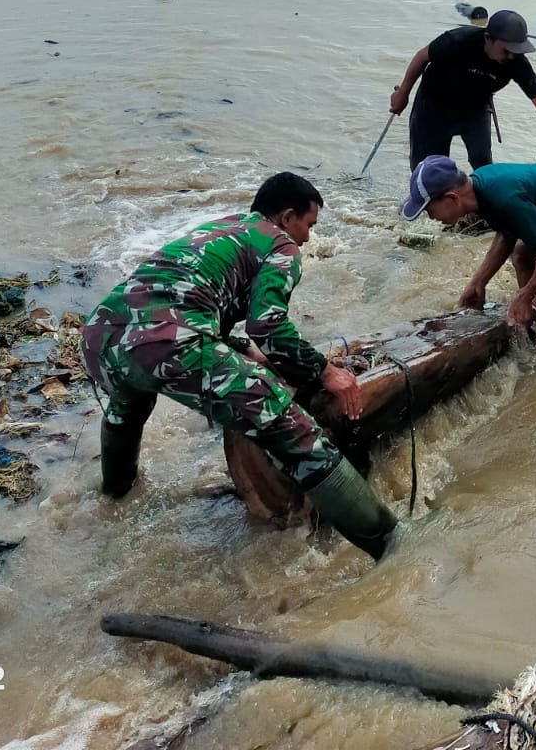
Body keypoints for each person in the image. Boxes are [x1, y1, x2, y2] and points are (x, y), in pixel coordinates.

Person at [81, 173, 400, 560]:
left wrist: (248, 352)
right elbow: (268, 325)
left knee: (128, 407)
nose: (308, 238)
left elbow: (183, 304)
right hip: (166, 342)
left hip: (99, 337)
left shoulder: (222, 229)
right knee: (289, 425)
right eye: (309, 225)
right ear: (287, 217)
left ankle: (114, 501)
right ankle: (389, 542)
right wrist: (325, 372)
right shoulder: (280, 244)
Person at [403, 156, 536, 358]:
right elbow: (507, 234)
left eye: (429, 210)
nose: (431, 218)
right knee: (520, 252)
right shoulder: (480, 189)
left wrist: (524, 295)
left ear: (452, 198)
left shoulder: (502, 196)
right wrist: (478, 282)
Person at [391, 10, 536, 170]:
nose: (511, 56)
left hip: (475, 109)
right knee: (429, 168)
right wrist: (403, 94)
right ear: (488, 39)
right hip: (433, 107)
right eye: (506, 50)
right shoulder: (457, 41)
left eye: (516, 51)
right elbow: (422, 57)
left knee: (483, 163)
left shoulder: (516, 62)